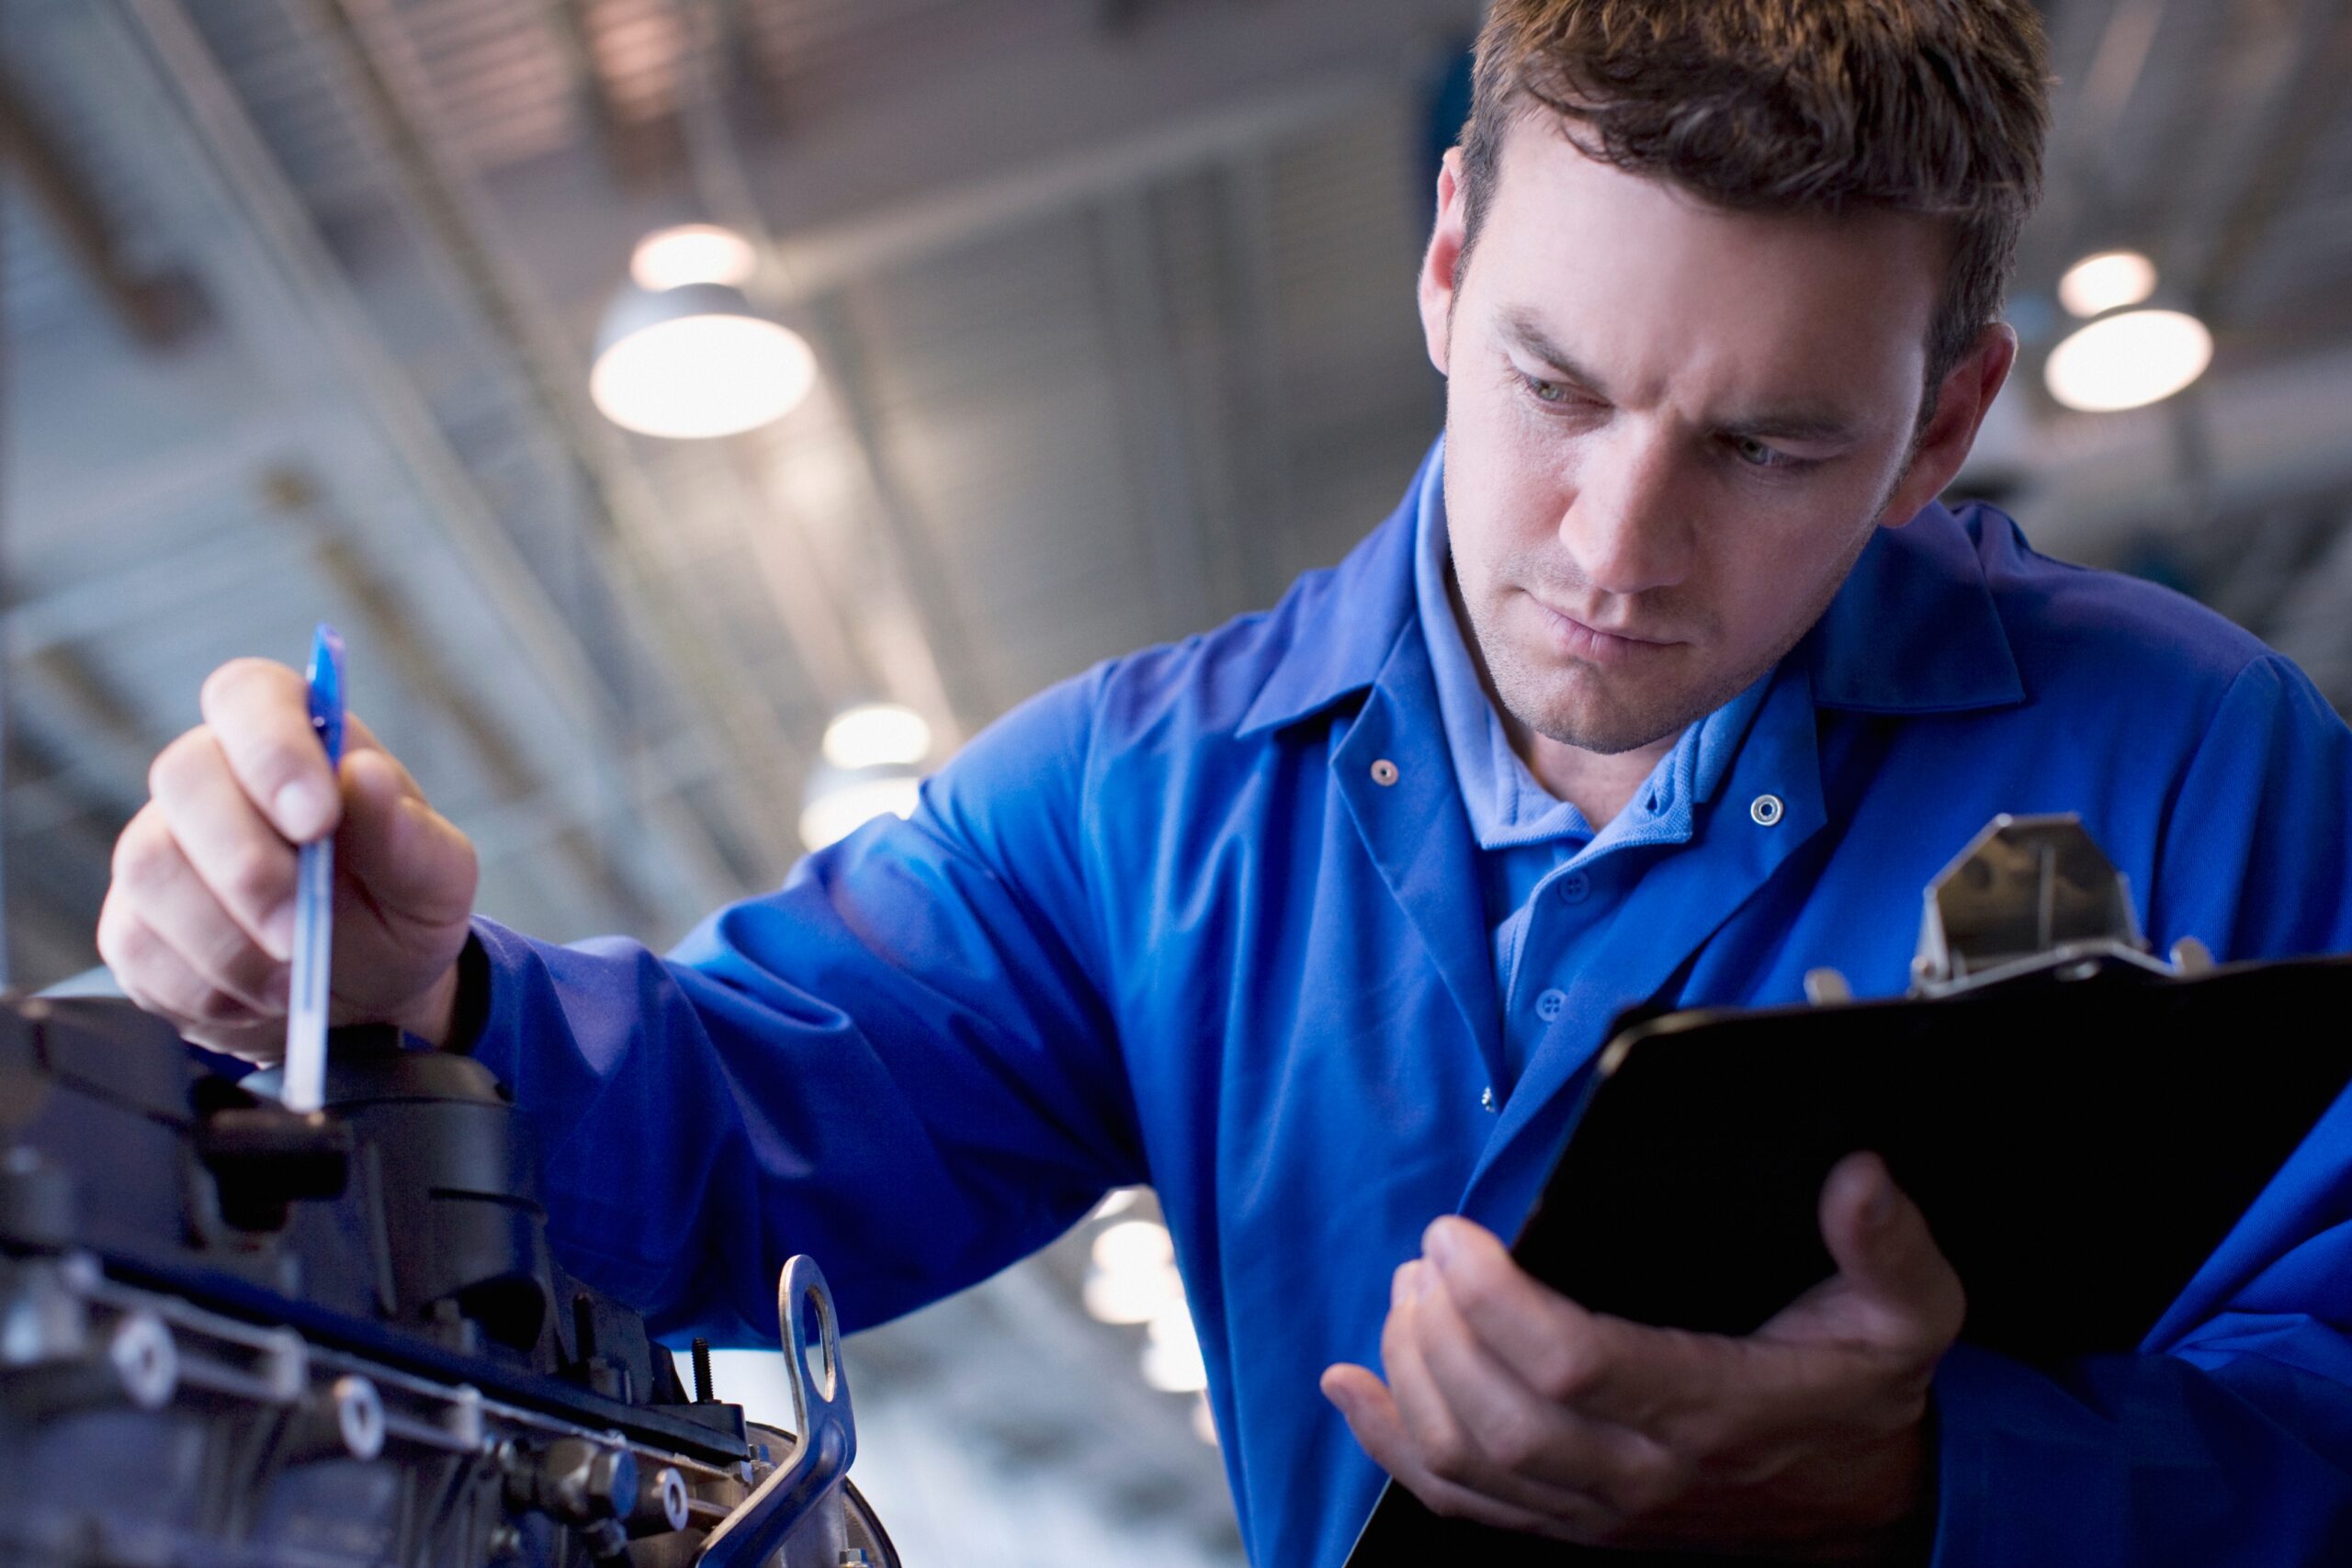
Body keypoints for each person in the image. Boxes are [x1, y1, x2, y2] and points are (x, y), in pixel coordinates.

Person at [96, 1, 2352, 1562]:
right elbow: (738, 1125)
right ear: (1448, 263)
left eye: (1766, 448)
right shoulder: (1138, 814)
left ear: (1943, 423)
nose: (1614, 548)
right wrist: (413, 1001)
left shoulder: (2195, 768)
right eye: (1555, 385)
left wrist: (1936, 1491)